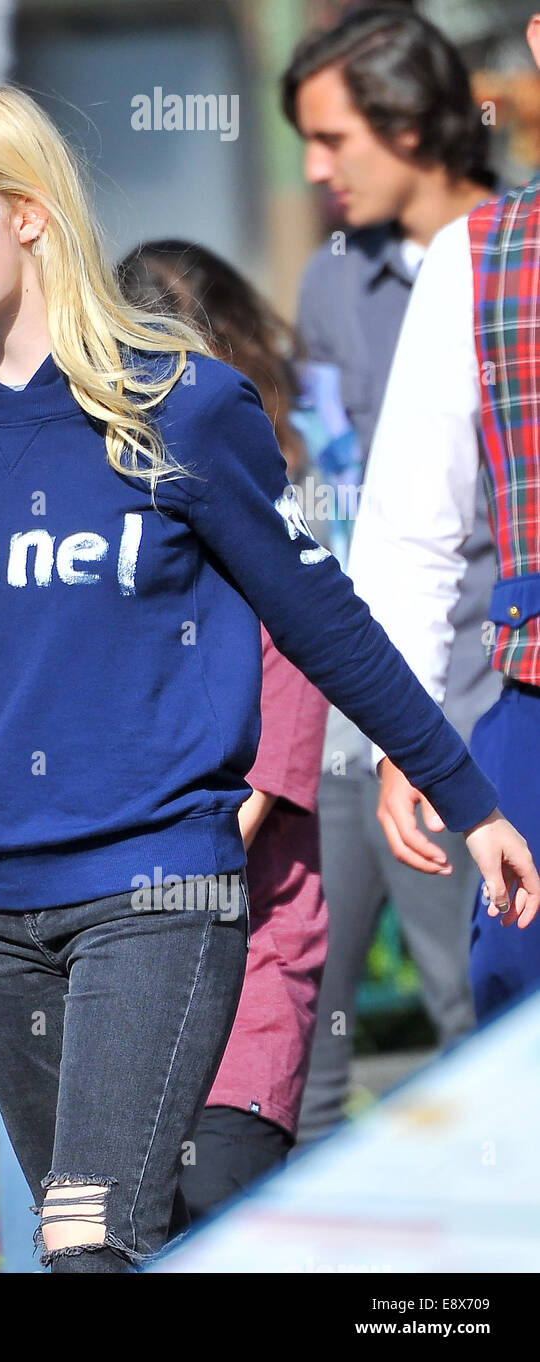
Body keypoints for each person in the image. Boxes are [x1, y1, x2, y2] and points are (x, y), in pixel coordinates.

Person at [0, 84, 538, 1273]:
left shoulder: (177, 406)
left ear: (29, 218)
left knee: (88, 1237)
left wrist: (464, 797)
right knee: (102, 1241)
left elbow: (323, 618)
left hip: (151, 887)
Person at [281, 3, 501, 1144]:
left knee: (480, 1008)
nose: (316, 173)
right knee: (304, 1036)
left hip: (488, 702)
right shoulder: (331, 285)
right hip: (360, 706)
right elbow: (343, 494)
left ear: (411, 122)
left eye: (334, 142)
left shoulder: (510, 255)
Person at [117, 241, 331, 1217]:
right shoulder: (104, 567)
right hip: (106, 1019)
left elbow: (233, 822)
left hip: (231, 1027)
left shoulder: (273, 574)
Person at [350, 12, 540, 1026]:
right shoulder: (480, 257)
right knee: (516, 1006)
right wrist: (405, 736)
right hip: (534, 698)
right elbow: (410, 528)